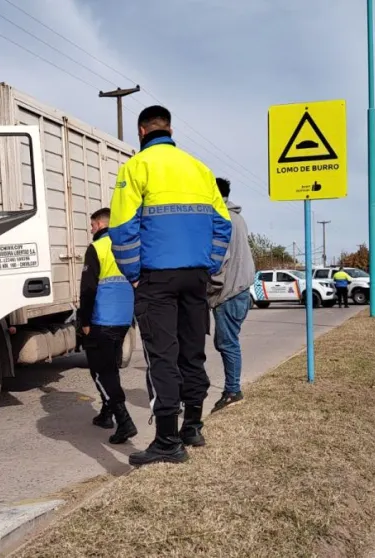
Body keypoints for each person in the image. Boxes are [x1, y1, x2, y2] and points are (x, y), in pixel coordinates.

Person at [109, 105, 232, 466]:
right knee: (193, 351)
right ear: (170, 129)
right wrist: (208, 265)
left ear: (142, 132)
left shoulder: (135, 167)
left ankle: (166, 441)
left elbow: (122, 229)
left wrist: (133, 272)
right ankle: (192, 426)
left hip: (156, 278)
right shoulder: (200, 169)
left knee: (163, 356)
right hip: (195, 275)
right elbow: (222, 227)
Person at [77, 208, 137, 445]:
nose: (90, 230)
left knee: (100, 371)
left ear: (101, 224)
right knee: (111, 367)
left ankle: (124, 421)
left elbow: (88, 289)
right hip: (123, 318)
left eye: (92, 225)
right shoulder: (126, 246)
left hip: (102, 318)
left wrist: (85, 321)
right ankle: (106, 414)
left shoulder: (97, 248)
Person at [207, 178, 256, 412]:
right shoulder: (238, 218)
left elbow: (219, 262)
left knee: (227, 343)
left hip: (229, 292)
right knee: (226, 342)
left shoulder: (220, 218)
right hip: (240, 289)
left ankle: (233, 391)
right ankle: (232, 388)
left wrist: (209, 289)